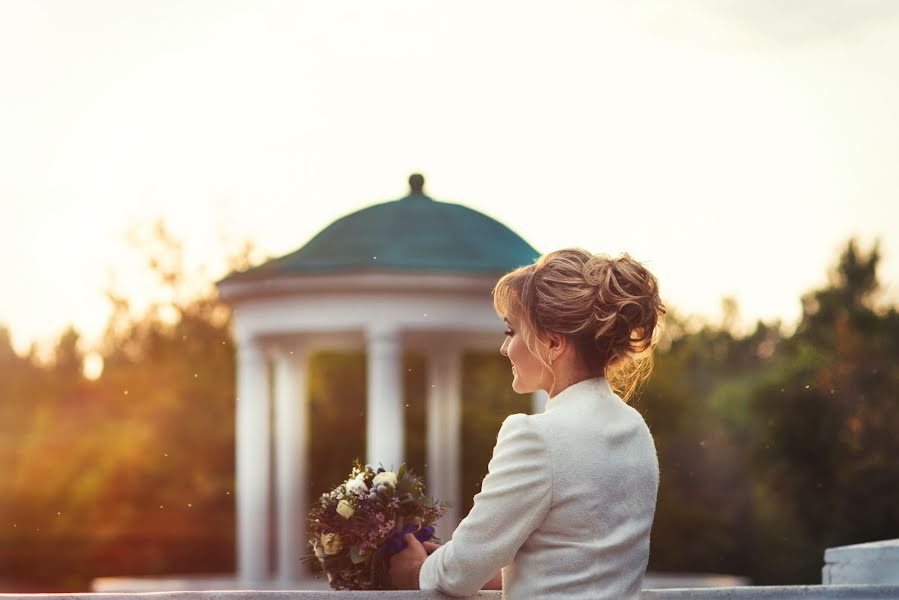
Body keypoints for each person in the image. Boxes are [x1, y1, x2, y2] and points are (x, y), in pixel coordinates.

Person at [389, 248, 664, 598]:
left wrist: (414, 571)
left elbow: (460, 571)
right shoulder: (635, 429)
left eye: (511, 331)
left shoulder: (536, 437)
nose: (505, 348)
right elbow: (579, 563)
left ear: (552, 342)